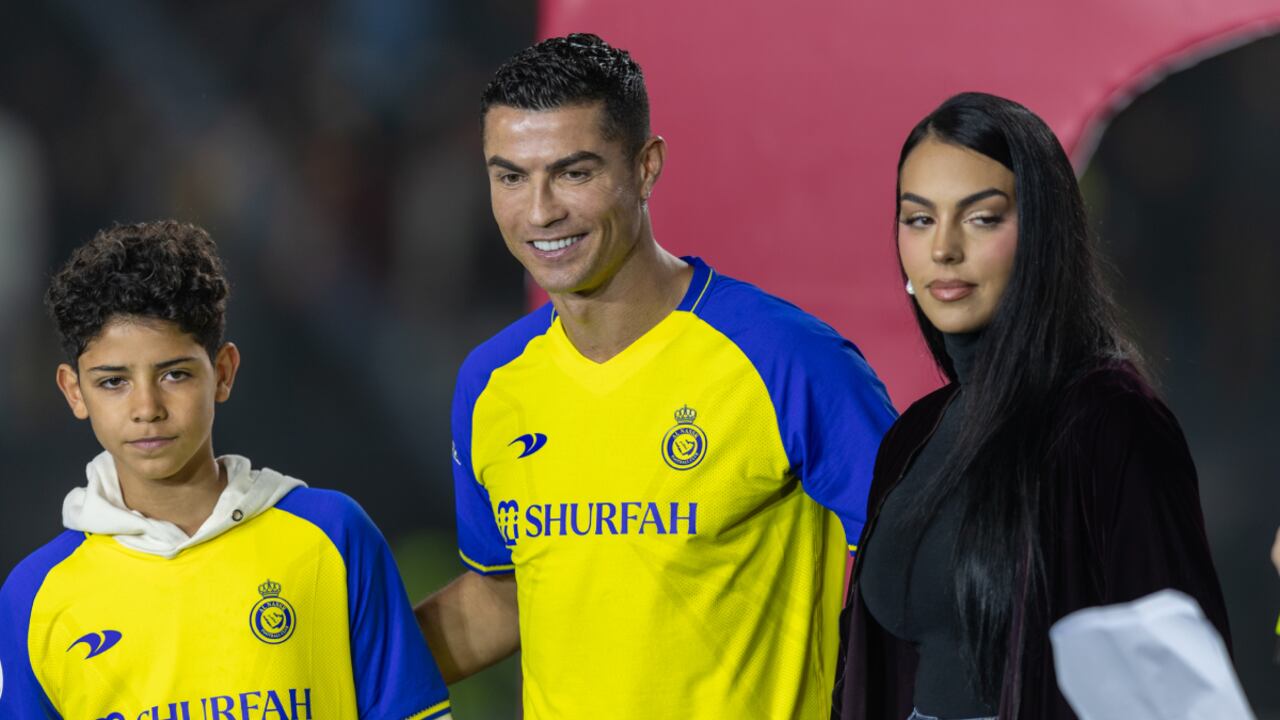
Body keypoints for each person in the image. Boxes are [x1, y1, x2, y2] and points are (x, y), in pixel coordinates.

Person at [414, 33, 897, 718]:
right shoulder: (492, 381)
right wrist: (325, 670)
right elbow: (505, 595)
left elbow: (930, 570)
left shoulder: (784, 358)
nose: (539, 211)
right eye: (511, 176)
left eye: (574, 173)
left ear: (646, 166)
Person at [834, 92, 1230, 720]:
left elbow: (1177, 694)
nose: (944, 249)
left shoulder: (1113, 423)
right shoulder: (914, 438)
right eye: (919, 219)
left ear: (1042, 234)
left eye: (982, 218)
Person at [0, 221, 452, 720]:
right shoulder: (36, 595)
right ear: (73, 391)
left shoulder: (333, 536)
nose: (146, 407)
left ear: (224, 372)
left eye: (175, 374)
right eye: (113, 382)